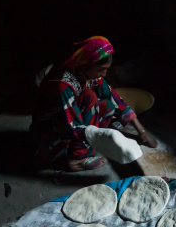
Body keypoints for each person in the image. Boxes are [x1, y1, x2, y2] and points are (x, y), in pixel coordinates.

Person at [30, 36, 157, 171]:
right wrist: (110, 136)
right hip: (51, 133)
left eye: (106, 69)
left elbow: (116, 100)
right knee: (89, 97)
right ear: (86, 64)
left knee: (107, 105)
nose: (104, 73)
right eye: (101, 69)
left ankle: (87, 148)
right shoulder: (62, 84)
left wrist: (141, 131)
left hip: (71, 123)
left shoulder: (88, 75)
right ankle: (77, 159)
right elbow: (73, 125)